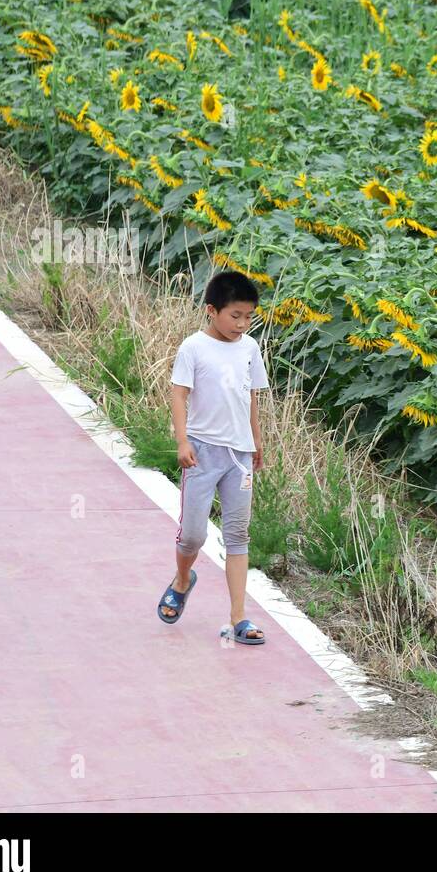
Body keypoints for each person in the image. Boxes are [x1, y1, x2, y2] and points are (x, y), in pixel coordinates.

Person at [157, 270, 269, 645]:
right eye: (234, 315)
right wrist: (182, 441)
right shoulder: (193, 348)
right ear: (211, 310)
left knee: (238, 534)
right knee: (193, 535)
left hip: (239, 455)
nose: (242, 324)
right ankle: (183, 578)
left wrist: (256, 439)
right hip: (202, 452)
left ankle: (238, 617)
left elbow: (251, 396)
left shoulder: (250, 349)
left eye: (248, 316)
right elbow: (178, 394)